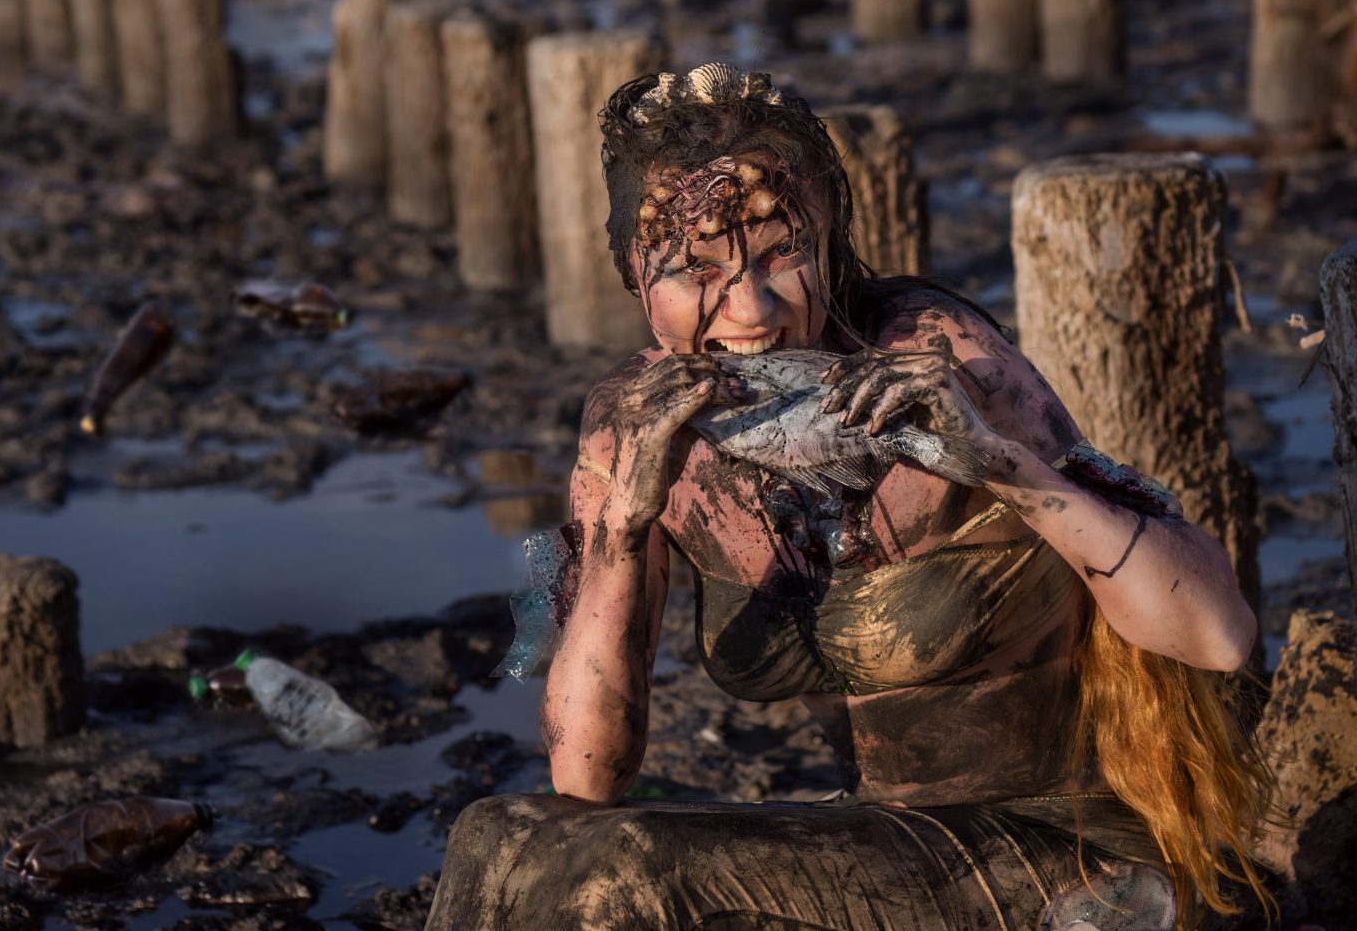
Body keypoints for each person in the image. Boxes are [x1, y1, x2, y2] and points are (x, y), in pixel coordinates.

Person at [425, 63, 1274, 931]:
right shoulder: (634, 423)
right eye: (693, 266)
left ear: (829, 241)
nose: (747, 309)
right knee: (498, 835)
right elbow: (587, 778)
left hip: (1079, 857)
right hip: (882, 842)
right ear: (632, 274)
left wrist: (1000, 463)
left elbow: (1220, 637)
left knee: (629, 872)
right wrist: (623, 524)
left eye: (779, 253)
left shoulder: (933, 353)